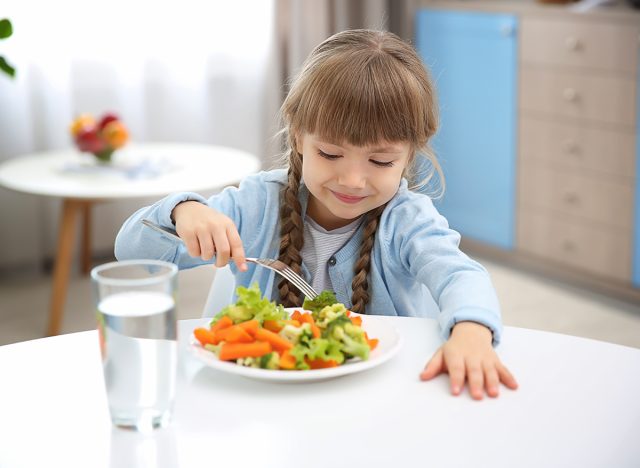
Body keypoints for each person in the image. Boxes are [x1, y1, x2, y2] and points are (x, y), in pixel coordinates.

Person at [115, 29, 517, 399]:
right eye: (330, 154)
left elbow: (460, 276)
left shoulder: (408, 220)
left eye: (380, 161)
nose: (354, 180)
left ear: (409, 155)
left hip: (382, 397)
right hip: (261, 397)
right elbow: (133, 254)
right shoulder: (257, 205)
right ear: (298, 138)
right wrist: (182, 212)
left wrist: (472, 330)